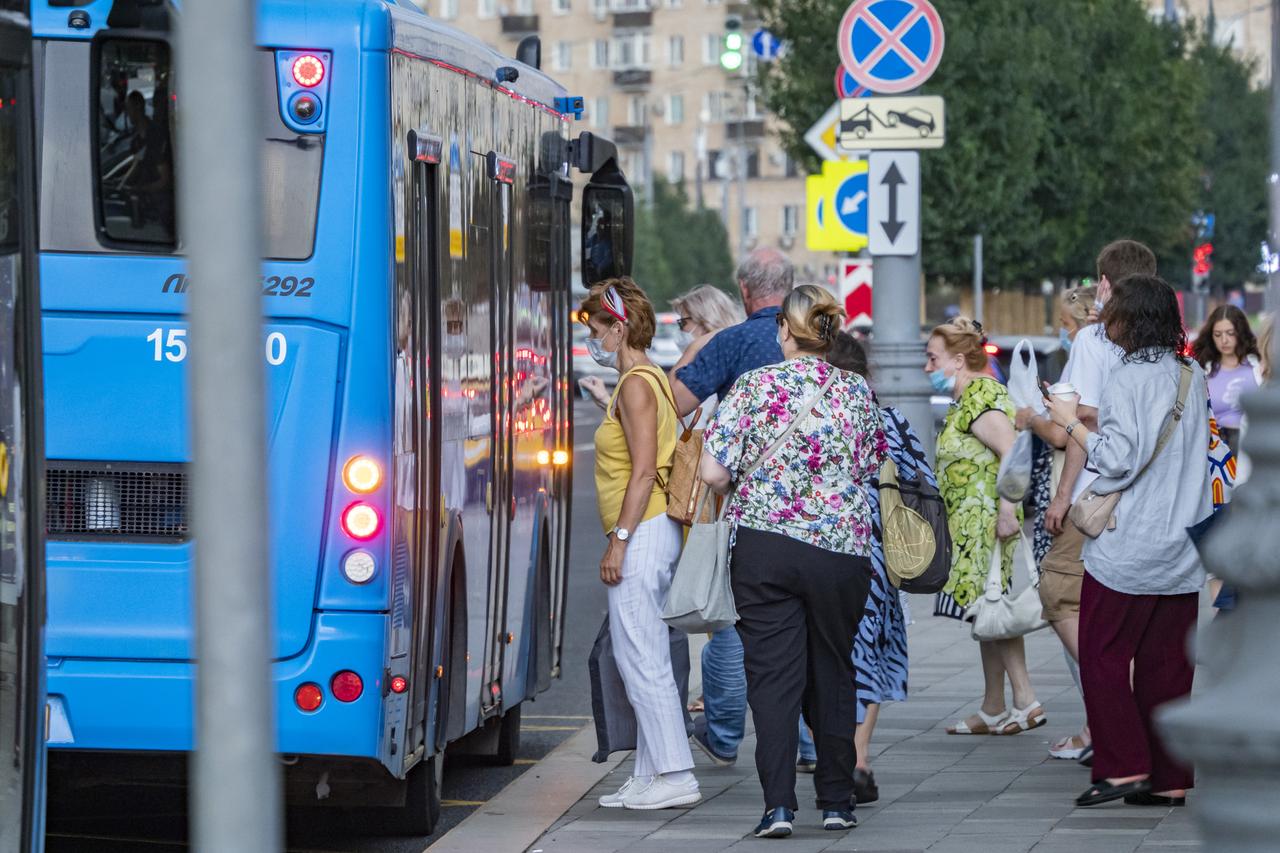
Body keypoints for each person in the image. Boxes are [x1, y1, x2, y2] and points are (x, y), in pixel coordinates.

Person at [700, 285, 885, 837]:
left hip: (765, 547)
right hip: (840, 550)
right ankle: (836, 802)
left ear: (784, 328)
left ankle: (778, 806)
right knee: (834, 668)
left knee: (772, 678)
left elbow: (712, 473)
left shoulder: (755, 386)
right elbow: (870, 463)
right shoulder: (855, 391)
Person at [1044, 274, 1209, 808]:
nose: (1103, 318)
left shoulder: (1125, 377)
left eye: (1110, 310)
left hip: (1130, 543)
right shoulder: (1192, 373)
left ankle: (1124, 767)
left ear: (1130, 319)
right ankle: (1171, 777)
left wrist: (1069, 422)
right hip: (1184, 543)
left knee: (1102, 652)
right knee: (1168, 666)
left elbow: (1117, 460)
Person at [668, 248, 795, 768]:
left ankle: (722, 733)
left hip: (746, 505)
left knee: (733, 620)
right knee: (803, 625)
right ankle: (810, 744)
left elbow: (675, 403)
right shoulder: (820, 343)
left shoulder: (733, 342)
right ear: (790, 287)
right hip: (822, 509)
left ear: (744, 290)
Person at [794, 332, 931, 804]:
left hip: (816, 547)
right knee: (868, 654)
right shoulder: (887, 418)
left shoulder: (806, 418)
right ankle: (858, 757)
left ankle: (835, 753)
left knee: (821, 655)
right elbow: (922, 481)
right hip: (876, 556)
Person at [580, 278, 700, 811]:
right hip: (652, 529)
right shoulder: (644, 378)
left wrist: (619, 542)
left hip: (644, 529)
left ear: (620, 327)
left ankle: (676, 773)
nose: (594, 339)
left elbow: (645, 470)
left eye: (598, 328)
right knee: (637, 653)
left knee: (641, 657)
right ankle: (650, 774)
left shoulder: (636, 384)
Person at [928, 318, 1046, 736]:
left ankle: (1025, 699)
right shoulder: (971, 397)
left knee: (992, 606)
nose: (928, 368)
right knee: (987, 611)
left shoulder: (980, 395)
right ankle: (995, 705)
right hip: (971, 522)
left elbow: (1012, 451)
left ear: (959, 360)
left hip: (984, 523)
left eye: (933, 359)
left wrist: (1007, 509)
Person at [1014, 285, 1098, 760]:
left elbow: (1071, 436)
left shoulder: (1088, 352)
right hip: (1083, 493)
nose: (1063, 335)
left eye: (1066, 326)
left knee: (1064, 600)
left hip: (1078, 495)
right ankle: (1099, 720)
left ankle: (1100, 720)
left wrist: (1031, 416)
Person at [1192, 304, 1262, 456]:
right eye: (1217, 334)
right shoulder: (1203, 370)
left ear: (1240, 333)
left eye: (1230, 333)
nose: (1224, 340)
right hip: (1216, 450)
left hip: (1251, 447)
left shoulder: (1257, 367)